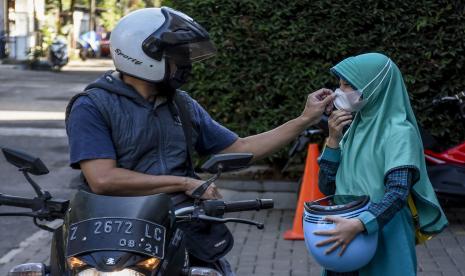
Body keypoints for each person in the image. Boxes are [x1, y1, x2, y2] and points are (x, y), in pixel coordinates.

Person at [65, 7, 334, 274]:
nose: (185, 63)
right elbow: (103, 179)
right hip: (112, 233)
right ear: (142, 54)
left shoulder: (182, 105)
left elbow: (241, 148)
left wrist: (304, 120)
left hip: (178, 230)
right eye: (177, 55)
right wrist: (185, 183)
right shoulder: (92, 106)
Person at [315, 53, 448, 276]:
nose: (340, 92)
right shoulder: (353, 127)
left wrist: (360, 224)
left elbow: (397, 192)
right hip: (346, 231)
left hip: (381, 231)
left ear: (375, 86)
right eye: (339, 85)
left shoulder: (399, 132)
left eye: (348, 86)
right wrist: (333, 141)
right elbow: (328, 187)